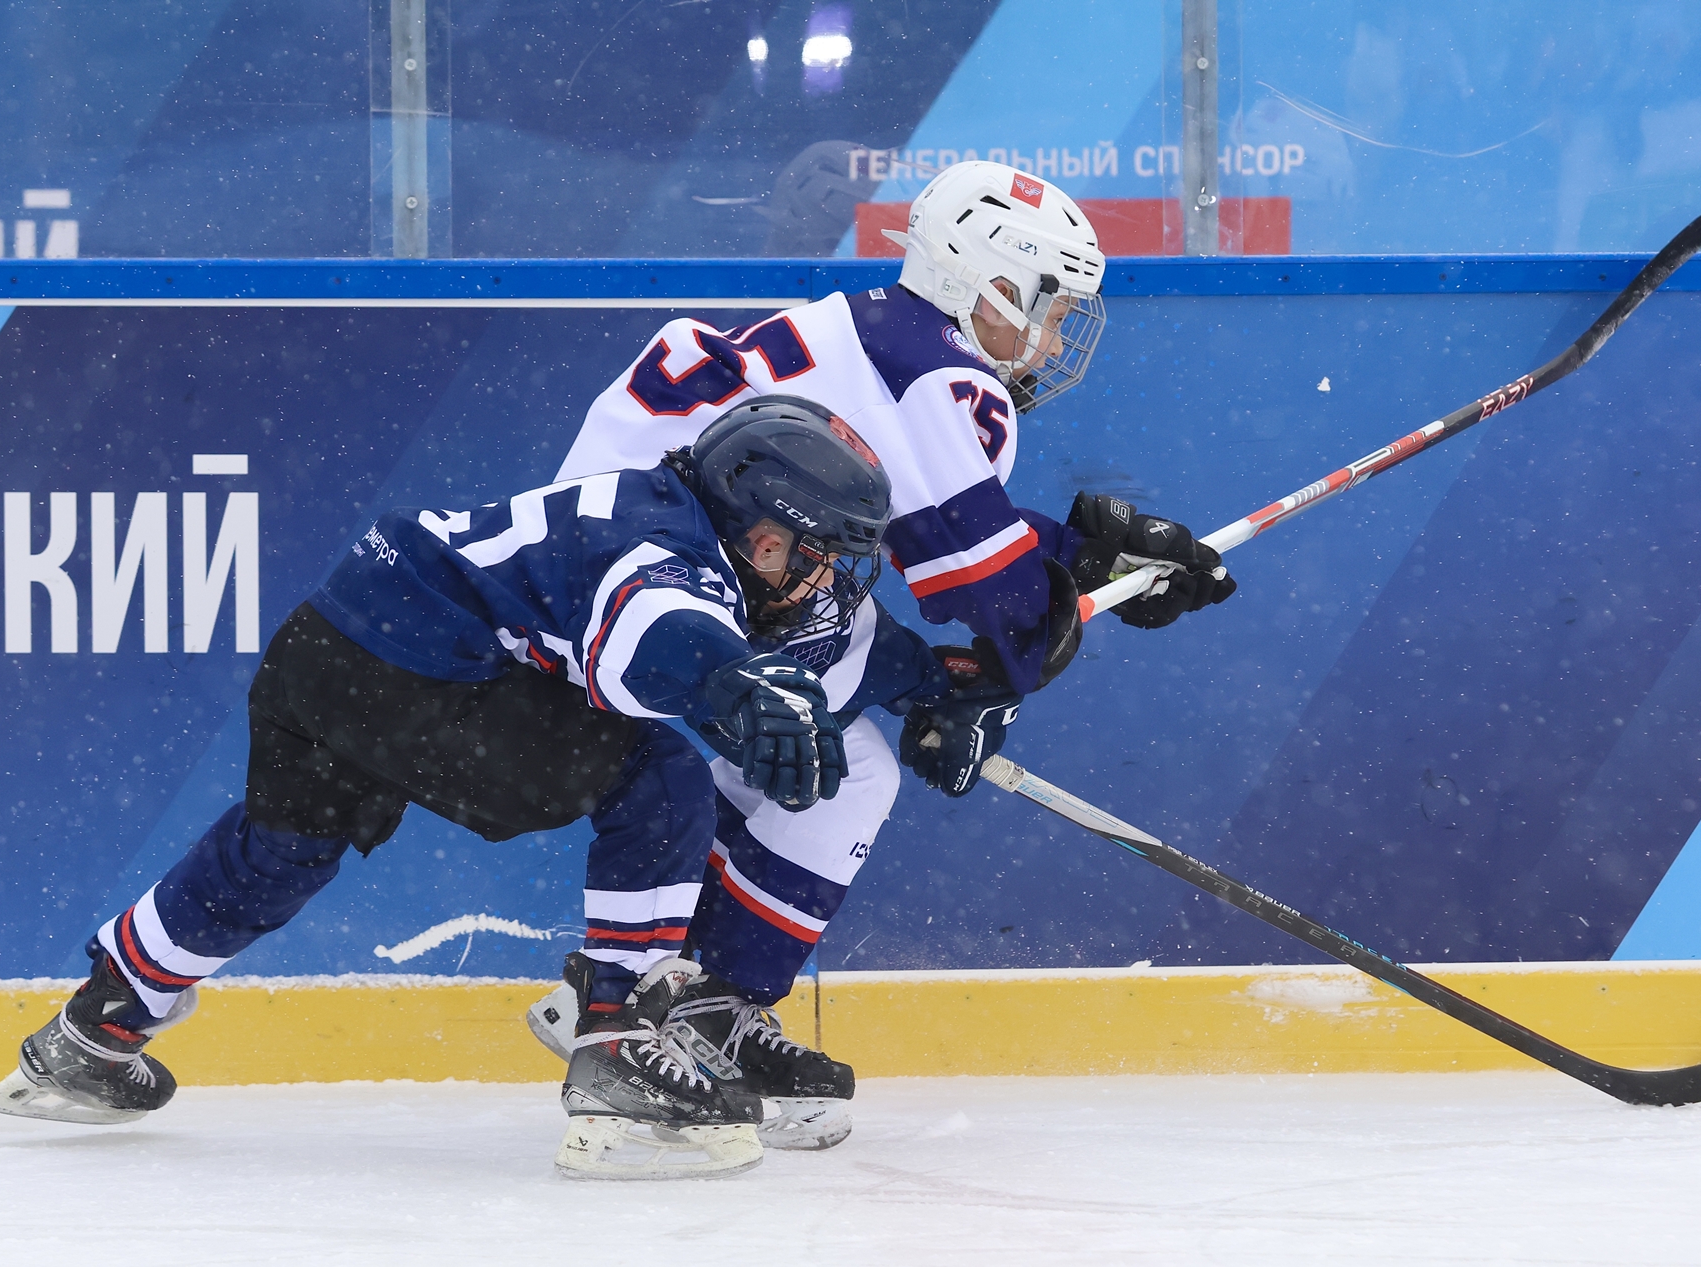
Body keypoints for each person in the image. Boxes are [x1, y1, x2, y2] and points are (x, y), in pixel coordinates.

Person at [0, 399, 943, 1182]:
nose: (823, 578)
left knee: (282, 849)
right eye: (811, 552)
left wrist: (940, 682)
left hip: (328, 649)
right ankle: (615, 1039)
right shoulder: (663, 551)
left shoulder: (672, 513)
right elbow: (658, 625)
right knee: (659, 775)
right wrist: (731, 684)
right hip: (427, 676)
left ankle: (96, 1026)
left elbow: (816, 640)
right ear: (756, 530)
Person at [527, 161, 1239, 1144]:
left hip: (619, 561)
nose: (1054, 337)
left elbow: (937, 518)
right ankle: (657, 1009)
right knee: (839, 767)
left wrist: (1087, 554)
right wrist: (1019, 651)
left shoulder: (877, 333)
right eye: (1048, 308)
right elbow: (987, 592)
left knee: (818, 765)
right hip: (662, 581)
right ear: (988, 285)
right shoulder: (938, 374)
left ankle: (664, 999)